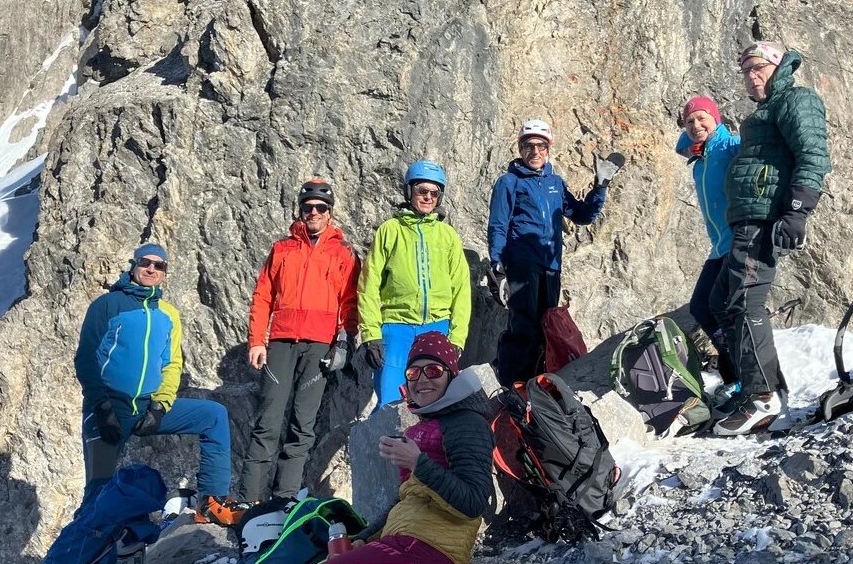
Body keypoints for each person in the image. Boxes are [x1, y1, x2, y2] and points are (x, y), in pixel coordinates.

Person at [260, 331, 494, 564]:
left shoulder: (468, 424)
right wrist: (365, 537)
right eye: (413, 373)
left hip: (431, 556)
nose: (422, 379)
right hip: (405, 544)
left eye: (433, 370)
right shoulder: (432, 423)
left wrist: (418, 463)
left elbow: (474, 503)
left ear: (452, 374)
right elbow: (405, 499)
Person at [710, 42, 832, 436]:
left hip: (765, 217)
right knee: (722, 302)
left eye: (758, 68)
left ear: (778, 67)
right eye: (745, 70)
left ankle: (761, 397)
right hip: (747, 218)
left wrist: (798, 210)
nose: (751, 76)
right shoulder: (764, 111)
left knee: (745, 301)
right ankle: (760, 386)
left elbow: (812, 153)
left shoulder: (796, 100)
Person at [74, 244, 243, 524]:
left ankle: (212, 501)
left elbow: (172, 363)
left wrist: (160, 406)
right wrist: (102, 407)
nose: (151, 269)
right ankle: (76, 554)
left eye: (159, 265)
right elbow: (85, 359)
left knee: (213, 415)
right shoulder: (107, 305)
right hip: (109, 408)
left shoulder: (168, 314)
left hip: (147, 407)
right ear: (134, 266)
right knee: (97, 493)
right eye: (145, 263)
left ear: (165, 273)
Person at [241, 179, 360, 503]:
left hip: (319, 346)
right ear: (300, 210)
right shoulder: (282, 249)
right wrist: (256, 341)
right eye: (308, 207)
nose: (314, 212)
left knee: (302, 426)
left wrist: (345, 342)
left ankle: (284, 499)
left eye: (321, 207)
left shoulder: (343, 253)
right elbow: (263, 296)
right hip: (280, 343)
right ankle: (248, 501)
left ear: (330, 212)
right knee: (267, 422)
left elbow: (350, 301)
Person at [486, 119, 621, 386]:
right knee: (523, 326)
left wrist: (600, 186)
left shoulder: (555, 183)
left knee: (546, 326)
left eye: (540, 146)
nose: (534, 152)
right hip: (523, 262)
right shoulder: (509, 182)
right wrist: (497, 263)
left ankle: (537, 384)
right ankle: (513, 386)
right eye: (528, 146)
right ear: (520, 149)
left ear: (548, 150)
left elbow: (583, 215)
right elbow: (498, 224)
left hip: (551, 265)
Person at [356, 161, 471, 407]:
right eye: (422, 191)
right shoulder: (390, 230)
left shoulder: (447, 235)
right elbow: (368, 285)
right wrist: (371, 334)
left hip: (437, 328)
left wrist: (457, 337)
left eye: (434, 193)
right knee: (391, 402)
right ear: (409, 192)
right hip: (396, 329)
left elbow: (461, 288)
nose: (428, 197)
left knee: (436, 401)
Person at [674, 97, 742, 401]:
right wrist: (691, 140)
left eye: (703, 118)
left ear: (717, 118)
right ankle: (735, 374)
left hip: (738, 242)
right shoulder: (699, 157)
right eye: (690, 122)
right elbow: (683, 143)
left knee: (724, 310)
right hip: (719, 248)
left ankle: (742, 378)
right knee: (701, 307)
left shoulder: (730, 146)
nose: (696, 125)